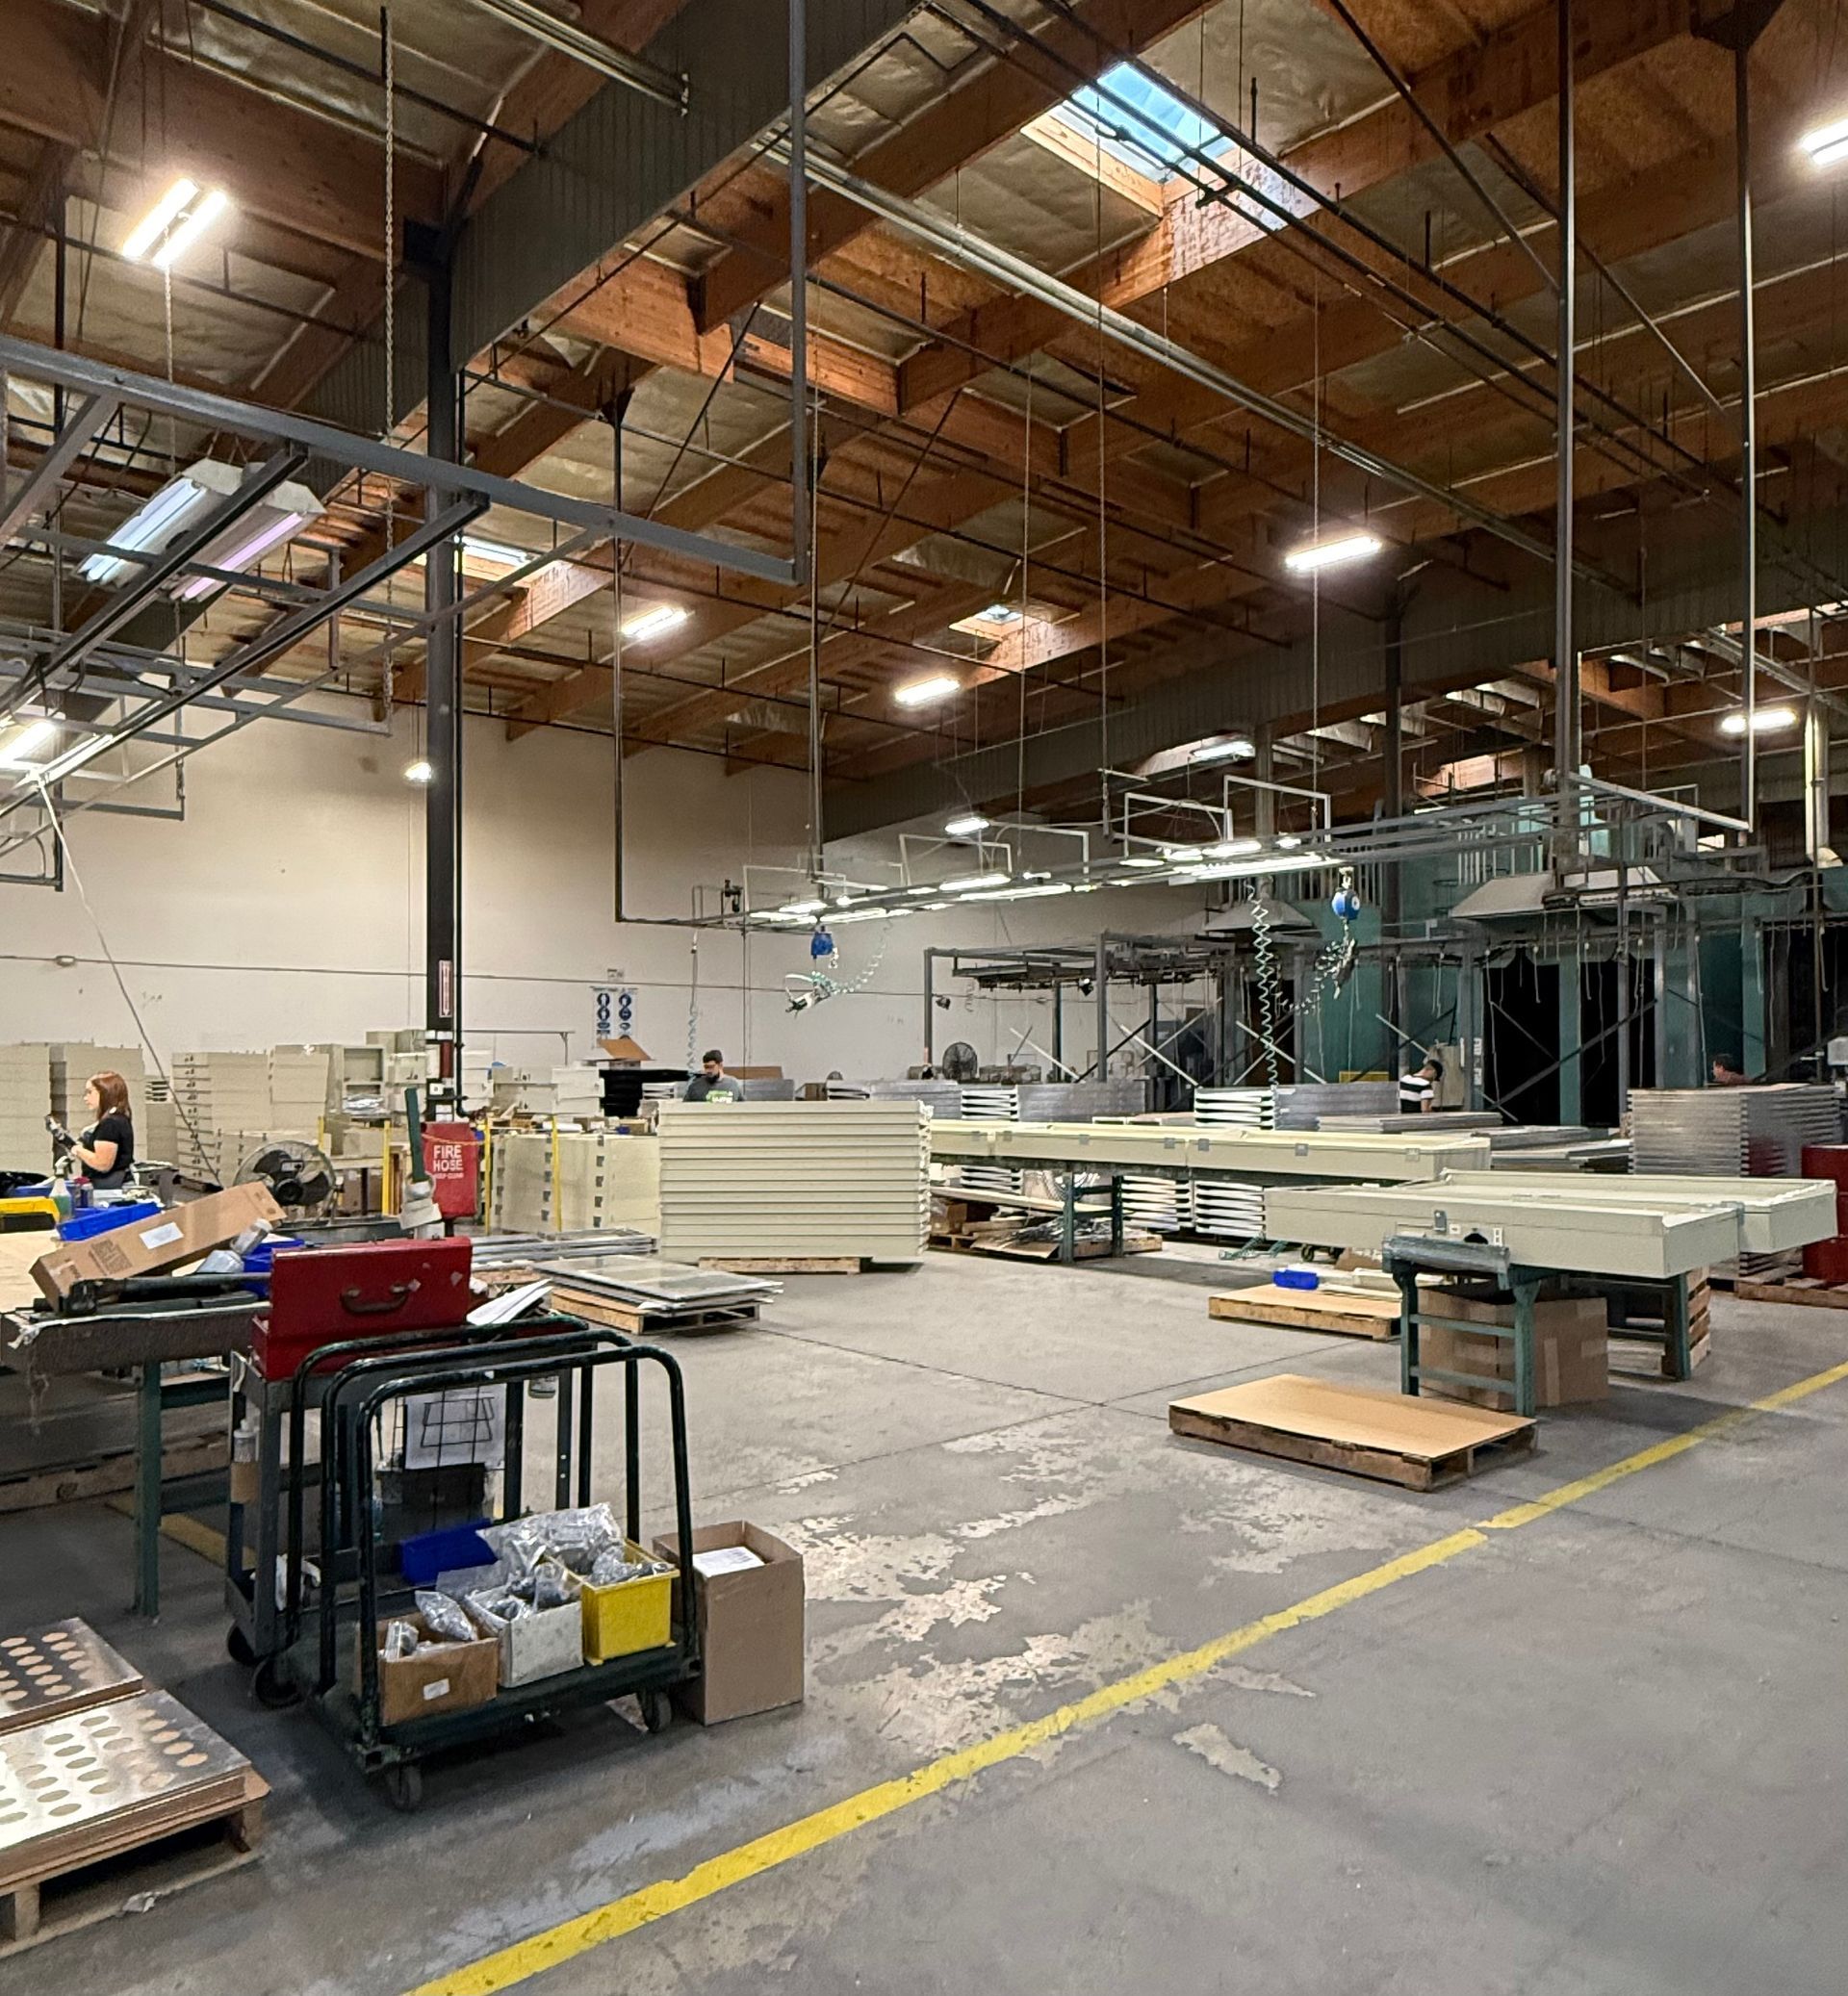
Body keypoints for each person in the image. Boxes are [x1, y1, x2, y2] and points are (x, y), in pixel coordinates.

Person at [53, 1071, 137, 1189]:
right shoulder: (119, 1118)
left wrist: (76, 1149)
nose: (85, 1098)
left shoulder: (110, 1123)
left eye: (90, 1092)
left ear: (105, 1092)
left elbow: (102, 1164)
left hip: (110, 1190)